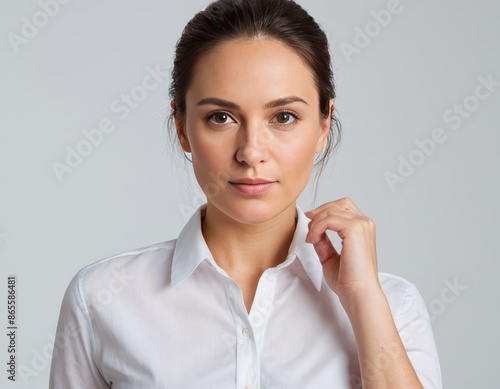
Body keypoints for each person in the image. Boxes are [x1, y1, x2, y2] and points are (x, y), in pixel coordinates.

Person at [49, 0, 442, 387]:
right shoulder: (101, 298)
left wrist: (362, 300)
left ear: (323, 126)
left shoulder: (392, 304)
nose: (251, 151)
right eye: (220, 117)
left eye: (283, 117)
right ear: (183, 127)